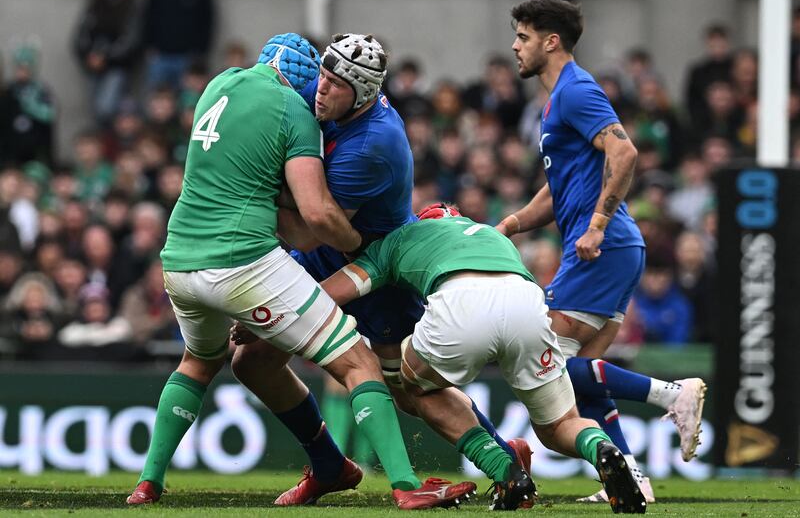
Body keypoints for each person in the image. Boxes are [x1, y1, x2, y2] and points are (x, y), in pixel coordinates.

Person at [125, 33, 476, 510]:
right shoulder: (293, 109)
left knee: (199, 362)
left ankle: (149, 483)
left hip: (180, 260)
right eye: (317, 80)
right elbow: (317, 221)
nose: (318, 92)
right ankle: (408, 486)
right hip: (242, 261)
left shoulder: (218, 84)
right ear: (302, 76)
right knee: (358, 363)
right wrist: (362, 250)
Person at [230, 33, 516, 507]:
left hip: (377, 268)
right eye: (321, 75)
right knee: (252, 360)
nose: (321, 89)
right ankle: (327, 464)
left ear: (362, 94)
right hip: (330, 251)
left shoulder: (372, 146)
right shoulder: (328, 99)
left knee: (410, 388)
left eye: (335, 83)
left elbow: (309, 229)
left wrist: (248, 188)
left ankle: (504, 461)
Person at [295, 203, 647, 513]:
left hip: (461, 301)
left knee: (415, 390)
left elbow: (333, 291)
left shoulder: (400, 238)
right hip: (526, 302)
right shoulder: (491, 235)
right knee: (559, 425)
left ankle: (504, 468)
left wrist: (274, 314)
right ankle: (600, 446)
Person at [497, 0, 706, 504]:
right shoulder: (554, 103)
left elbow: (624, 150)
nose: (514, 46)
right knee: (581, 385)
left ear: (551, 41)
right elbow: (558, 189)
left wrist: (595, 225)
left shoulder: (575, 90)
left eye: (523, 36)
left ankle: (673, 395)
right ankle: (633, 479)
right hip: (610, 248)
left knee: (543, 363)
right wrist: (511, 224)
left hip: (602, 246)